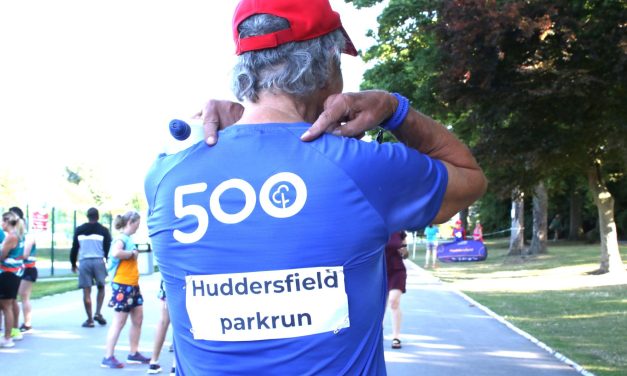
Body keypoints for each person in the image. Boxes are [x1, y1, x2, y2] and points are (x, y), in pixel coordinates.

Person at [144, 0, 486, 373]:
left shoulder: (165, 176)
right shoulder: (363, 168)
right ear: (326, 67)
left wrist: (242, 124)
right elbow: (469, 177)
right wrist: (393, 109)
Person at [101, 210, 150, 368]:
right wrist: (132, 253)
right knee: (119, 321)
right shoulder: (121, 238)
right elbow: (116, 253)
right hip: (123, 285)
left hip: (132, 285)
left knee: (138, 318)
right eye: (137, 223)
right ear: (131, 222)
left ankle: (134, 353)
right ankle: (108, 356)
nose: (138, 226)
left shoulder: (128, 238)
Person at [70, 207, 112, 328]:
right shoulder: (103, 230)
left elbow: (74, 247)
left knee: (86, 290)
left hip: (84, 262)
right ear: (97, 217)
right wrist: (107, 260)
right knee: (101, 287)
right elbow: (107, 247)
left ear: (87, 217)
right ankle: (98, 313)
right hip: (99, 261)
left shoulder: (79, 230)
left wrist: (73, 263)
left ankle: (90, 320)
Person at [9, 207, 37, 332]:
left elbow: (25, 254)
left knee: (23, 296)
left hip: (28, 269)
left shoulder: (28, 236)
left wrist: (11, 255)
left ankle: (27, 323)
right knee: (14, 298)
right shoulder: (14, 236)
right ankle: (16, 323)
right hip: (18, 269)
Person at [0, 211, 25, 348]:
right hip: (12, 273)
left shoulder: (11, 237)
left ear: (7, 222)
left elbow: (2, 256)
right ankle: (7, 335)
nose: (0, 224)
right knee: (5, 305)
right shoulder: (17, 235)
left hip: (8, 273)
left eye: (2, 221)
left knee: (6, 306)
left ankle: (8, 338)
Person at [384, 231, 408, 349]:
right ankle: (378, 331)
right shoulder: (374, 226)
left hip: (397, 271)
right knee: (379, 305)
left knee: (394, 302)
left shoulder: (399, 230)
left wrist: (403, 251)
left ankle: (396, 336)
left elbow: (406, 254)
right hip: (379, 272)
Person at [147, 280, 173, 374]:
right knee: (182, 322)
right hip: (186, 277)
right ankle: (176, 365)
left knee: (163, 321)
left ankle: (154, 361)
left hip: (168, 280)